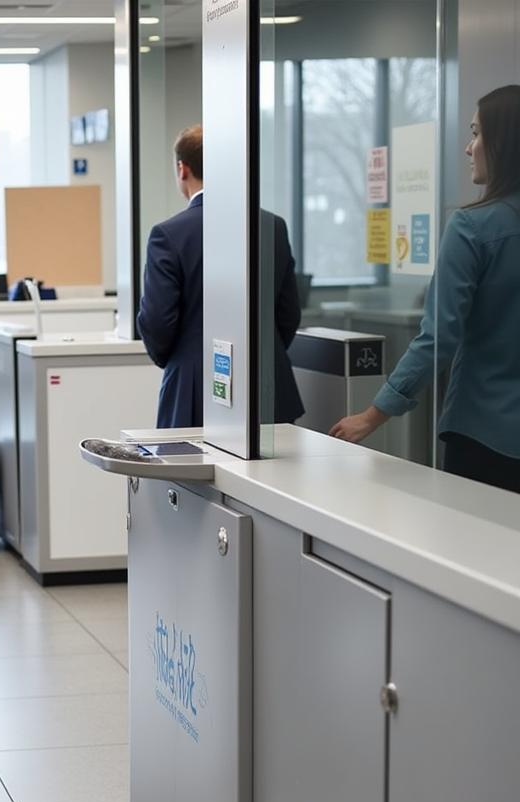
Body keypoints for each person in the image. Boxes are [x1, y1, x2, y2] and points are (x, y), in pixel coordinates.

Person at [331, 85, 520, 495]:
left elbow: (437, 339)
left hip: (485, 438)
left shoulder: (473, 228)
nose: (469, 148)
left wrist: (373, 415)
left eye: (476, 133)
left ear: (503, 142)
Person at [137, 123, 304, 429]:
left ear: (182, 168)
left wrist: (181, 360)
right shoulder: (273, 226)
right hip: (268, 386)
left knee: (190, 476)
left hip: (195, 389)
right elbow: (288, 313)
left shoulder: (169, 235)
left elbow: (157, 321)